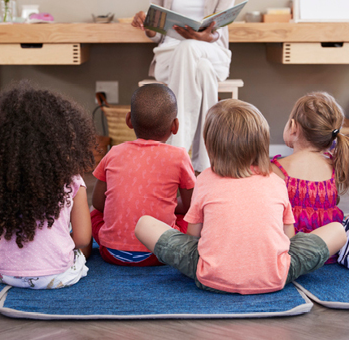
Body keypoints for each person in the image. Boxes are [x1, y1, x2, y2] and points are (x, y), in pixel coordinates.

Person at [135, 99, 346, 294]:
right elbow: (289, 241)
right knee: (338, 230)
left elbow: (193, 238)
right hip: (276, 277)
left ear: (210, 147)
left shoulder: (205, 179)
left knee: (144, 224)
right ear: (262, 145)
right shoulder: (276, 180)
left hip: (210, 277)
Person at [0, 81, 95, 289]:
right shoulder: (72, 180)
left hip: (4, 275)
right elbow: (82, 238)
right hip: (58, 276)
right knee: (83, 248)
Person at [91, 84, 196, 266]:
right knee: (189, 220)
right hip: (159, 252)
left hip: (111, 252)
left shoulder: (114, 153)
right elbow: (191, 206)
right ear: (175, 125)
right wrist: (167, 206)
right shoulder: (179, 156)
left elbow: (99, 204)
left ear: (129, 120)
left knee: (93, 215)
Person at [132, 0, 233, 173]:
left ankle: (174, 158)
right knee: (202, 69)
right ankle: (206, 165)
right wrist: (146, 25)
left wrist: (203, 37)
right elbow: (156, 34)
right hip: (170, 55)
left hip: (211, 51)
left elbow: (219, 30)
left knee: (188, 47)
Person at [271, 92, 349, 264]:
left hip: (287, 248)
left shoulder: (275, 169)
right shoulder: (335, 166)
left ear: (293, 127)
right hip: (326, 250)